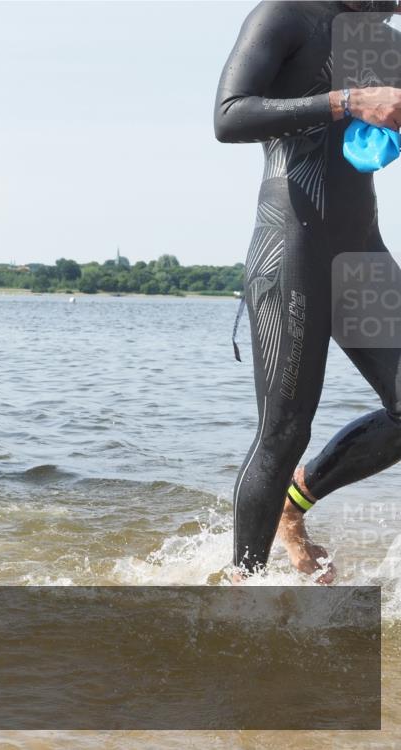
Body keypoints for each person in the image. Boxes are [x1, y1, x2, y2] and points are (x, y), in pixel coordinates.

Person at [215, 1, 401, 581]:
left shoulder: (385, 41)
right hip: (291, 243)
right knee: (286, 429)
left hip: (361, 250)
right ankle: (241, 594)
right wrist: (348, 101)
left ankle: (293, 510)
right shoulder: (286, 15)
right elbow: (229, 116)